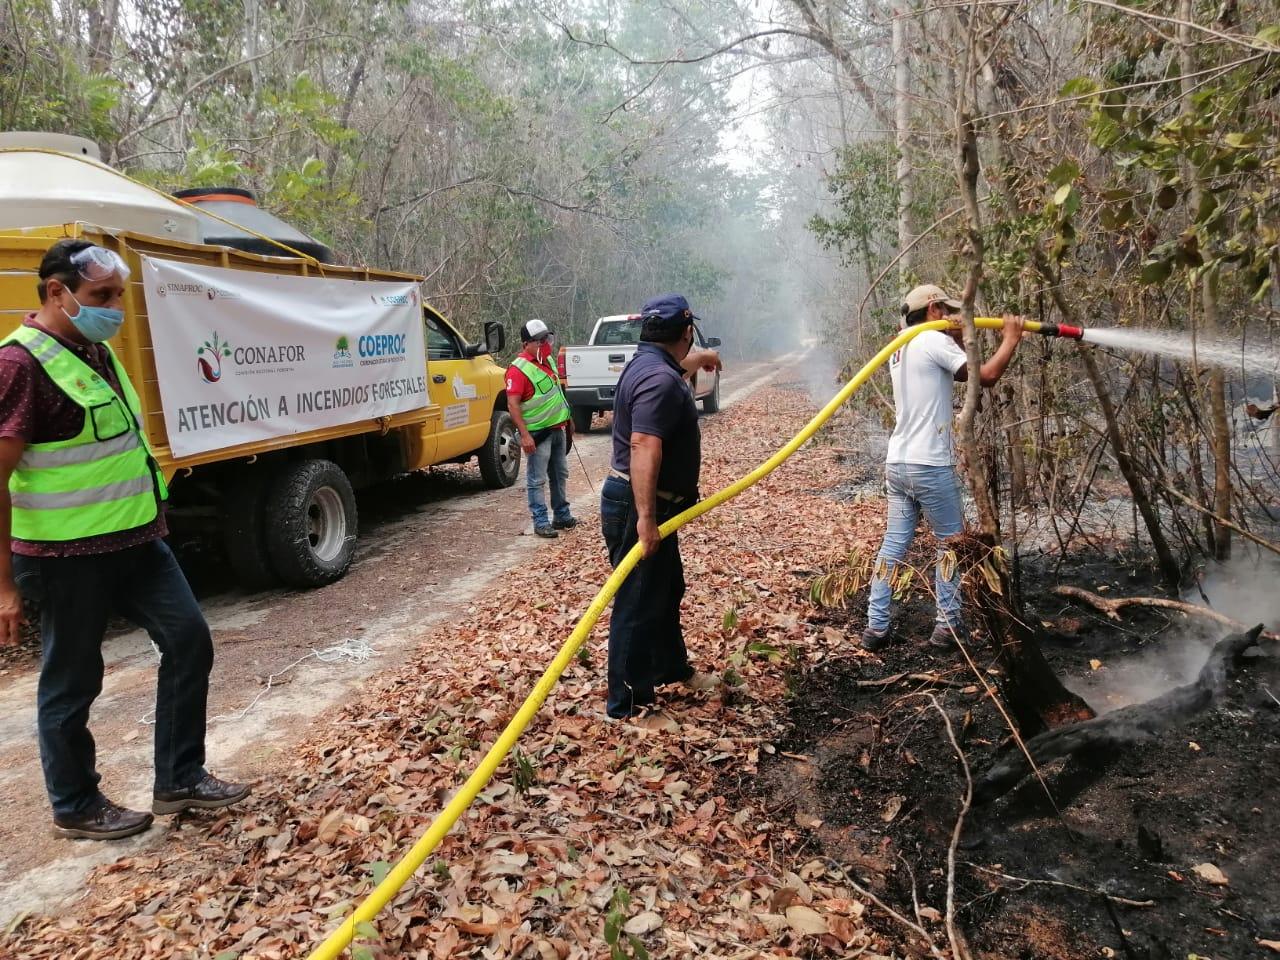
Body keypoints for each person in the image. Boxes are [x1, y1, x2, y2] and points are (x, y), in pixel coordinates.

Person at [0, 239, 250, 840]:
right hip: (66, 556)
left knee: (189, 640)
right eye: (101, 296)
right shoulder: (19, 365)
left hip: (136, 542)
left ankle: (180, 776)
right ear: (56, 292)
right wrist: (3, 584)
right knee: (72, 679)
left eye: (117, 295)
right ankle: (75, 804)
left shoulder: (93, 351)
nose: (114, 308)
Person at [862, 284, 1023, 652]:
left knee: (893, 545)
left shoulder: (901, 345)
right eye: (947, 310)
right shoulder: (931, 341)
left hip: (898, 462)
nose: (953, 316)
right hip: (929, 464)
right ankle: (948, 626)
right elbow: (987, 376)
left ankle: (876, 627)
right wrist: (1011, 339)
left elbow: (948, 376)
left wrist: (955, 337)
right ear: (933, 309)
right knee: (949, 545)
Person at [600, 293, 721, 719]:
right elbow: (644, 444)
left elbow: (674, 370)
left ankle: (671, 668)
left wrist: (702, 357)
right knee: (636, 604)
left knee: (667, 590)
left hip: (656, 507)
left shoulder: (649, 365)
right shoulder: (660, 381)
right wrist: (646, 521)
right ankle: (628, 705)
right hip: (641, 508)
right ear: (685, 332)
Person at [506, 319, 577, 538]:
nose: (546, 344)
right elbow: (513, 404)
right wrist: (525, 435)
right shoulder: (518, 370)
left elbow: (556, 393)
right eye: (540, 341)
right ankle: (540, 521)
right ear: (526, 343)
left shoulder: (547, 361)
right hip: (538, 434)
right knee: (537, 479)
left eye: (547, 338)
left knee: (560, 473)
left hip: (557, 429)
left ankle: (562, 515)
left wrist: (569, 420)